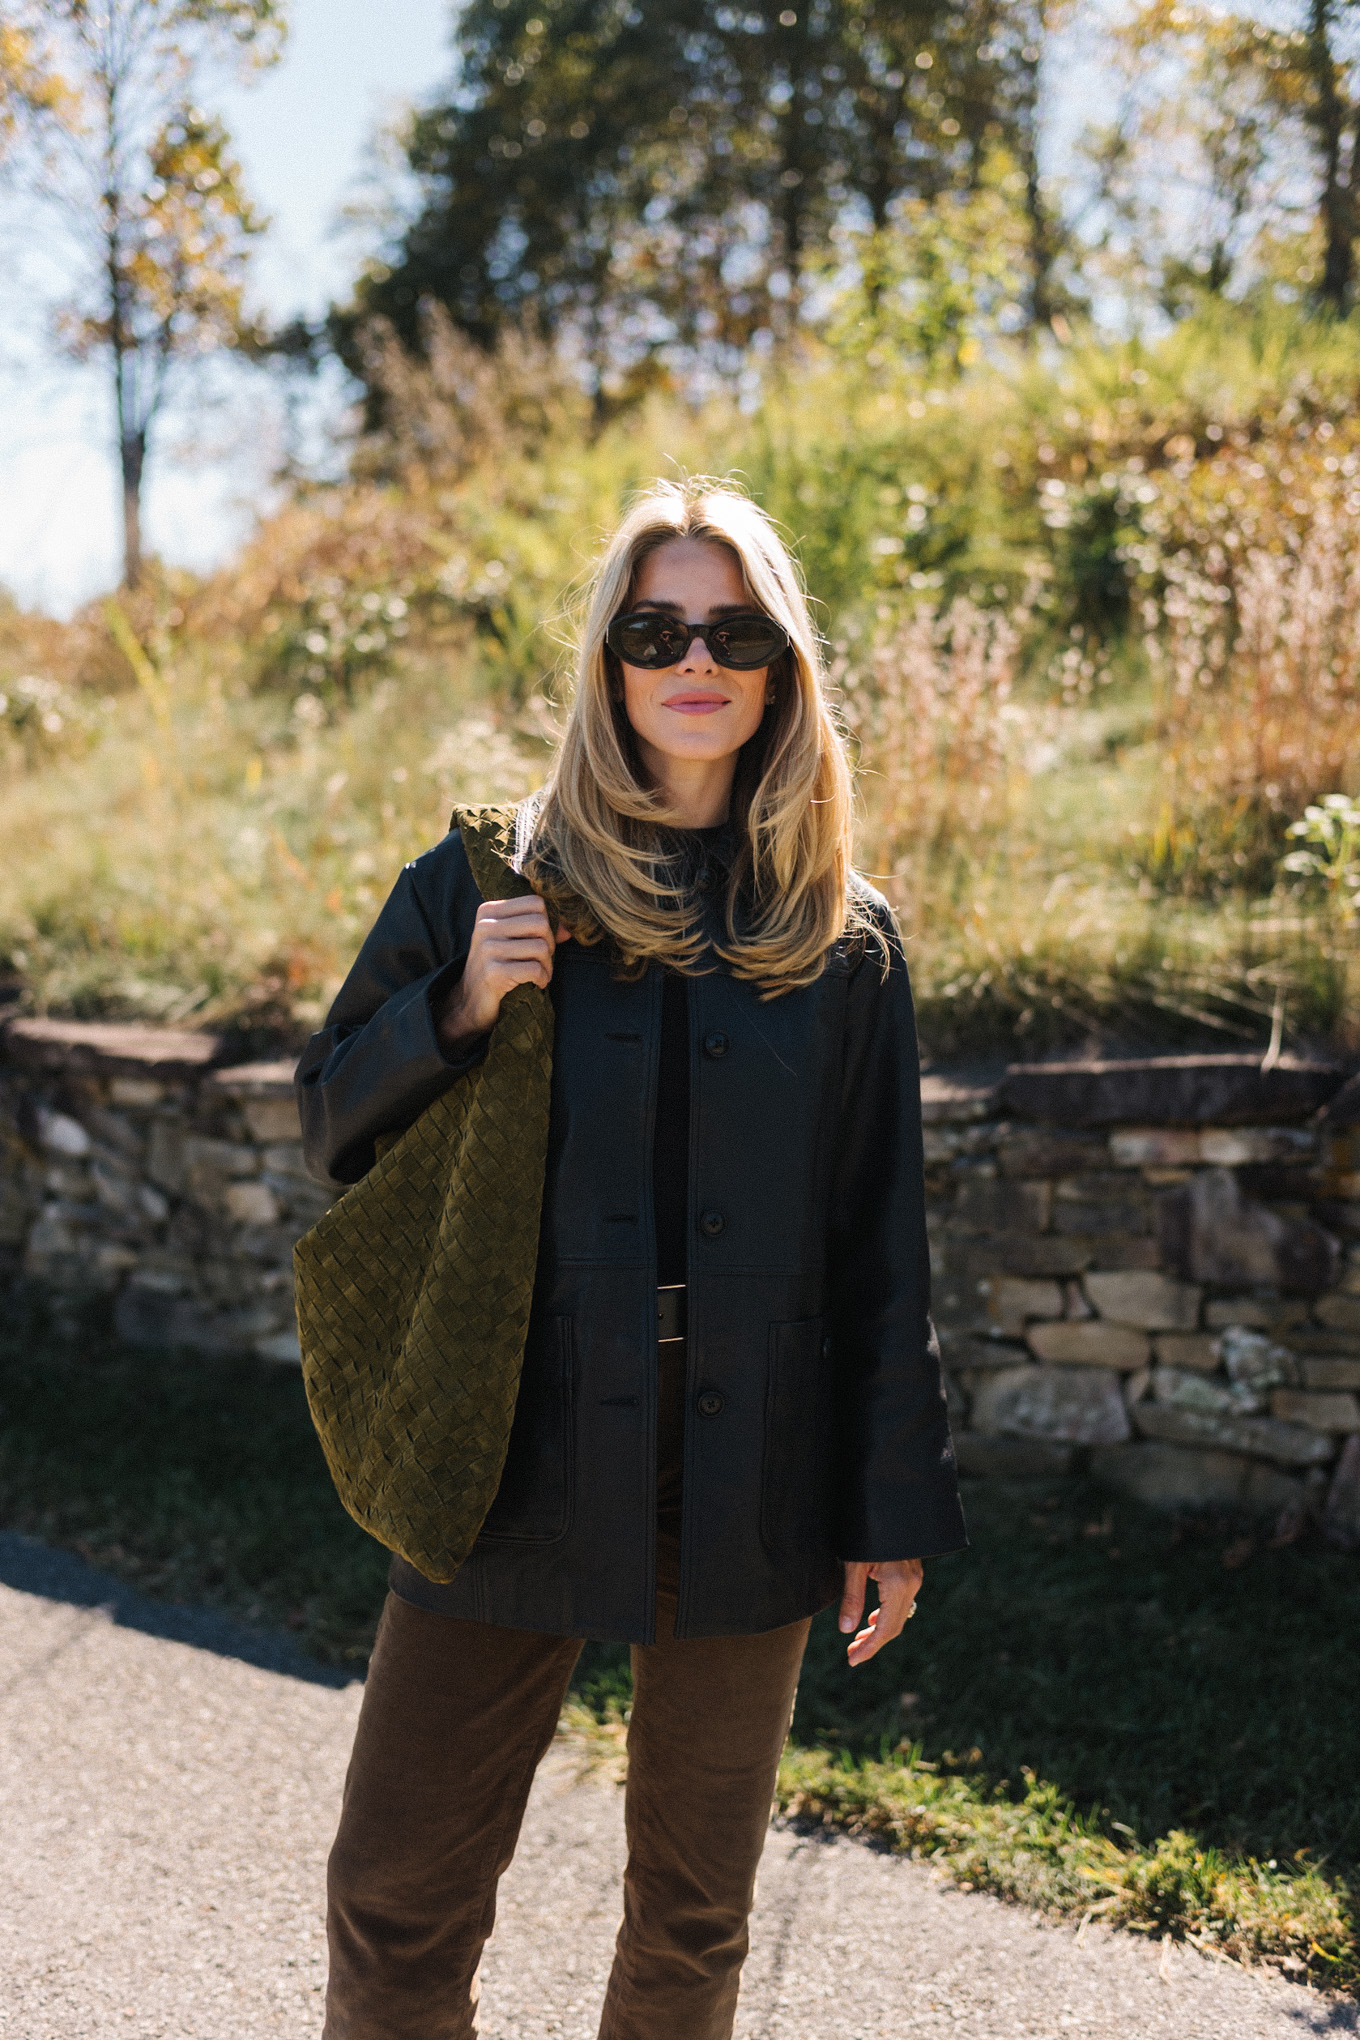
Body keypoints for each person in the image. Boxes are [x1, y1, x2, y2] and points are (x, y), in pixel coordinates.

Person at [296, 476, 966, 2040]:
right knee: (396, 1897)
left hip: (751, 1467)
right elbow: (330, 1117)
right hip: (507, 1446)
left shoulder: (840, 934)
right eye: (657, 626)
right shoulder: (486, 882)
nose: (696, 659)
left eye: (736, 631)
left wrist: (890, 1507)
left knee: (692, 1925)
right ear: (607, 659)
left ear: (782, 668)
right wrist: (452, 1009)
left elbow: (884, 1240)